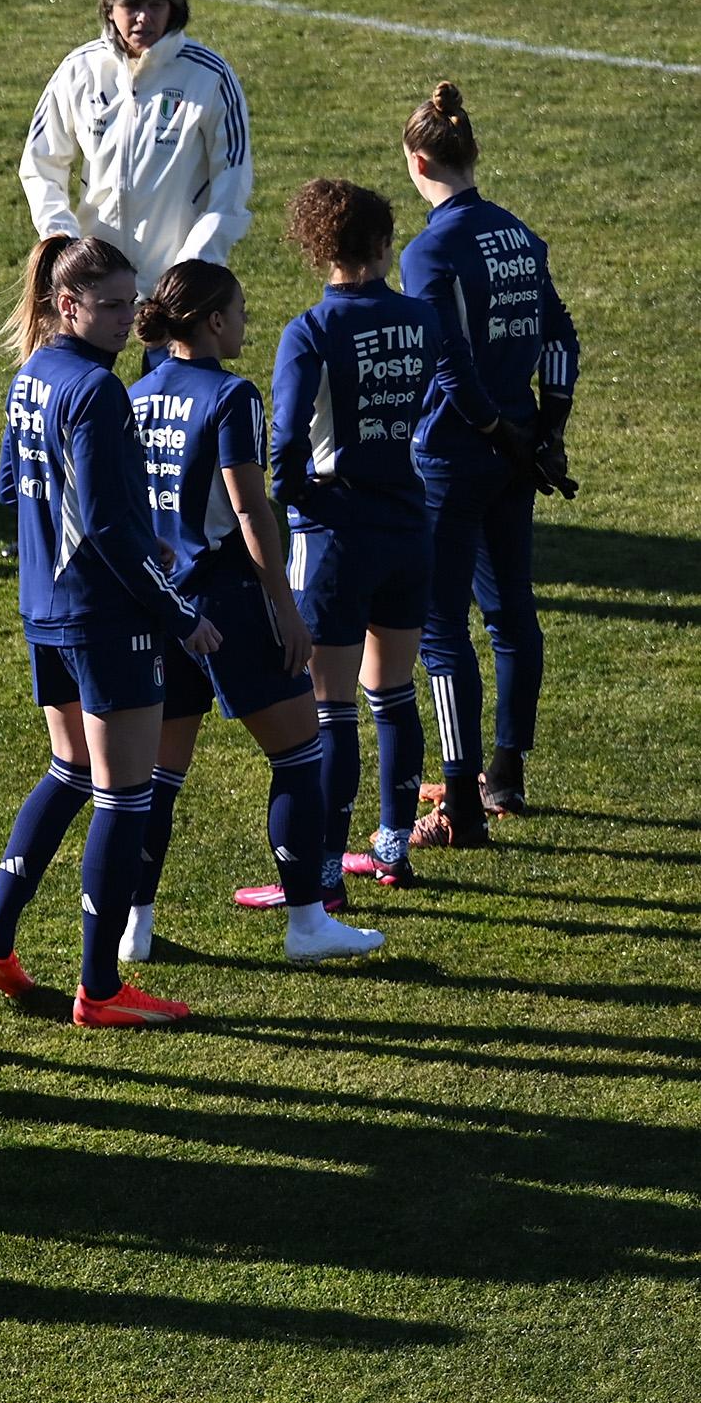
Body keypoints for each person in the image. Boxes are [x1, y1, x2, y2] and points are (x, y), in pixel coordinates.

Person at [0, 238, 212, 1026]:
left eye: (129, 304)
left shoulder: (32, 375)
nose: (125, 320)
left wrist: (127, 527)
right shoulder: (99, 394)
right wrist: (182, 615)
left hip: (44, 609)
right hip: (105, 618)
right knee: (123, 793)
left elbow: (12, 486)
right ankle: (99, 988)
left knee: (69, 769)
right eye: (108, 306)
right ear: (65, 305)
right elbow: (105, 527)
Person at [130, 261, 383, 961]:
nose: (246, 320)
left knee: (156, 777)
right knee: (299, 754)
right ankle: (306, 922)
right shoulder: (231, 395)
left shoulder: (138, 392)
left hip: (163, 604)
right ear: (212, 321)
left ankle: (133, 929)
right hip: (229, 601)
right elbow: (248, 510)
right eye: (239, 309)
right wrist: (285, 607)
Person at [273, 179, 486, 897]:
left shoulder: (310, 330)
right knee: (392, 693)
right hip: (406, 522)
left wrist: (293, 504)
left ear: (315, 248)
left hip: (335, 532)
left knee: (328, 709)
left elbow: (284, 447)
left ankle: (328, 869)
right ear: (383, 242)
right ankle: (391, 846)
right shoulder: (419, 319)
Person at [397, 82, 577, 844]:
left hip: (453, 455)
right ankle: (506, 775)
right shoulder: (517, 234)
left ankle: (461, 805)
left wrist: (493, 427)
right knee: (509, 612)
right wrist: (548, 429)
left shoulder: (429, 248)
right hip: (516, 452)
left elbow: (446, 362)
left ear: (416, 161)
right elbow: (561, 338)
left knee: (439, 631)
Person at [19, 0, 255, 278]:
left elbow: (233, 179)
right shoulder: (79, 70)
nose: (143, 17)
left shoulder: (209, 75)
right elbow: (40, 162)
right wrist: (63, 239)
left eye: (155, 5)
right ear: (109, 8)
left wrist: (196, 261)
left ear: (173, 8)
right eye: (131, 5)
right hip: (96, 282)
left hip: (179, 282)